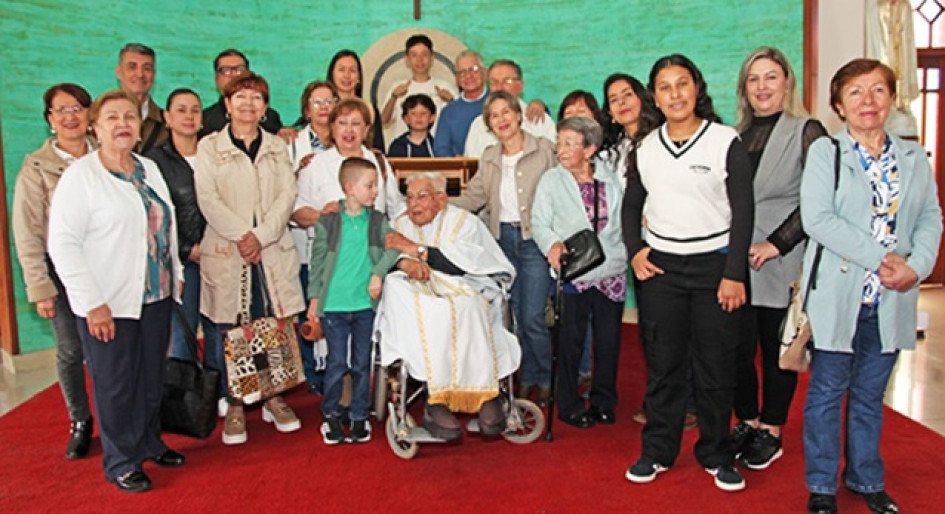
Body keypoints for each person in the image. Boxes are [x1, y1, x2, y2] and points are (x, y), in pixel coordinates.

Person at [801, 58, 942, 514]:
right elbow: (818, 219)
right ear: (839, 104)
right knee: (826, 393)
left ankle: (865, 477)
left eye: (878, 90)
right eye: (856, 92)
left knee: (869, 395)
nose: (868, 100)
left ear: (890, 98)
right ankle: (821, 486)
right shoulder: (827, 152)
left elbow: (929, 217)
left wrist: (915, 267)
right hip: (839, 295)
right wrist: (883, 258)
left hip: (891, 296)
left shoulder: (912, 156)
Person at [623, 54, 753, 492]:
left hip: (715, 268)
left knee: (716, 366)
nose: (675, 94)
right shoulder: (646, 147)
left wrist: (735, 272)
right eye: (665, 86)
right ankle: (658, 450)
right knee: (664, 366)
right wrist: (635, 251)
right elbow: (631, 206)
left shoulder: (723, 140)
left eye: (683, 84)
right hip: (661, 270)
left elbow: (744, 210)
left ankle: (716, 453)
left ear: (697, 88)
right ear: (654, 97)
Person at [47, 89, 185, 492]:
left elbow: (165, 223)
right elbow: (63, 245)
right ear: (95, 126)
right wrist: (92, 304)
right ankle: (121, 460)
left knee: (149, 378)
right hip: (110, 303)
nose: (122, 124)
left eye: (129, 116)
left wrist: (174, 273)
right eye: (112, 118)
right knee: (115, 384)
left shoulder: (147, 168)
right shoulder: (82, 177)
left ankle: (148, 442)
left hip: (155, 296)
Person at [729, 47, 827, 471]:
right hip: (735, 260)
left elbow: (820, 198)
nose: (762, 87)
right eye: (754, 79)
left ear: (787, 82)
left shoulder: (808, 129)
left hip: (780, 259)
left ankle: (771, 429)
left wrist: (776, 244)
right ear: (744, 88)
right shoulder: (733, 134)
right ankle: (747, 420)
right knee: (735, 348)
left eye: (771, 77)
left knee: (775, 349)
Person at [195, 73, 306, 446]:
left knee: (271, 322)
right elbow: (208, 199)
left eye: (256, 98)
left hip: (270, 249)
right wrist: (244, 235)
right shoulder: (209, 148)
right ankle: (237, 403)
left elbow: (286, 196)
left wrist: (260, 236)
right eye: (240, 97)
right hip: (229, 250)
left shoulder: (277, 147)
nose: (248, 104)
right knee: (233, 328)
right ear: (226, 104)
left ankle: (274, 398)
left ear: (265, 106)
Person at [377, 172, 520, 439]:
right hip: (415, 289)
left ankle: (485, 394)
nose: (413, 205)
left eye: (422, 196)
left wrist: (416, 250)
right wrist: (402, 262)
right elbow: (380, 256)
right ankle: (436, 400)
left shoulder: (464, 222)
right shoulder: (397, 223)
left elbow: (467, 263)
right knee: (428, 309)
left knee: (470, 306)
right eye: (409, 198)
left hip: (462, 284)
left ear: (441, 199)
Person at [452, 90, 557, 406]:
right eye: (494, 116)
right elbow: (475, 197)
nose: (501, 119)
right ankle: (527, 378)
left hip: (535, 242)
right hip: (503, 243)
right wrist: (440, 203)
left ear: (518, 114)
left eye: (505, 112)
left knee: (533, 316)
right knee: (513, 315)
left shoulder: (544, 150)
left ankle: (545, 378)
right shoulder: (489, 156)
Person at [12, 83, 95, 459]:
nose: (71, 116)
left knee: (113, 347)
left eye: (77, 108)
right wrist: (39, 286)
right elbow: (27, 231)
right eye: (62, 110)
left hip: (109, 269)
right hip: (61, 272)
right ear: (50, 119)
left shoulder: (107, 155)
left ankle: (118, 416)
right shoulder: (36, 167)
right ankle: (80, 419)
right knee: (70, 348)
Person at [531, 116, 627, 428]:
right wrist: (552, 244)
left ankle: (603, 400)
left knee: (609, 340)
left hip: (611, 269)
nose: (562, 149)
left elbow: (622, 219)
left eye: (571, 143)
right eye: (560, 142)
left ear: (590, 149)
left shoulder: (610, 178)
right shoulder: (551, 180)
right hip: (574, 271)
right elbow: (539, 223)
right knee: (570, 341)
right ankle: (569, 403)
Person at [306, 157, 401, 445]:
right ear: (350, 187)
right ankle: (332, 414)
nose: (375, 192)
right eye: (370, 186)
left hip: (364, 305)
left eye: (376, 186)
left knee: (362, 363)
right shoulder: (329, 220)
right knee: (337, 362)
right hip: (334, 304)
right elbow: (318, 262)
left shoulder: (377, 220)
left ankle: (360, 414)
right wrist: (314, 300)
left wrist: (378, 273)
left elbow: (394, 247)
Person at [599, 73, 665, 426]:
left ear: (642, 98)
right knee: (650, 329)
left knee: (665, 328)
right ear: (609, 112)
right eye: (614, 99)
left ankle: (680, 403)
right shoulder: (615, 150)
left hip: (661, 243)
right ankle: (661, 398)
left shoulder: (660, 140)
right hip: (631, 244)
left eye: (628, 94)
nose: (622, 102)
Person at [145, 89, 215, 367]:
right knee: (183, 335)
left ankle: (219, 391)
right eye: (181, 110)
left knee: (219, 330)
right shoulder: (154, 162)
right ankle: (185, 402)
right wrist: (187, 250)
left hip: (220, 256)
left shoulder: (215, 153)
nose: (189, 116)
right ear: (167, 117)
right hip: (184, 261)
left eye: (195, 110)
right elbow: (154, 216)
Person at [287, 79, 338, 394]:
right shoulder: (291, 144)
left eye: (328, 101)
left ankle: (336, 368)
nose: (323, 108)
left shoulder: (347, 141)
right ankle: (312, 372)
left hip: (343, 246)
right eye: (316, 102)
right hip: (304, 240)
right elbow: (281, 192)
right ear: (306, 110)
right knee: (310, 304)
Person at [295, 98, 405, 224]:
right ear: (332, 128)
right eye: (342, 123)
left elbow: (397, 209)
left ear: (366, 130)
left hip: (373, 241)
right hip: (330, 241)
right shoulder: (315, 164)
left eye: (356, 123)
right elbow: (297, 210)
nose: (349, 130)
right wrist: (321, 216)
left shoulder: (379, 162)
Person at [464, 60, 557, 158]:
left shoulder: (539, 120)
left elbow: (555, 161)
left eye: (507, 81)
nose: (500, 87)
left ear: (520, 85)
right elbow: (471, 165)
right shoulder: (479, 124)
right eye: (494, 82)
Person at [199, 49, 294, 142]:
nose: (234, 75)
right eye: (226, 70)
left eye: (240, 70)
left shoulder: (270, 117)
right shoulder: (205, 120)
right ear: (216, 80)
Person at [381, 34, 456, 141]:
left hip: (437, 150)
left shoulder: (445, 86)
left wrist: (451, 101)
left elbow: (458, 121)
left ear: (432, 58)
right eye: (414, 55)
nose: (420, 60)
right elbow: (383, 121)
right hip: (404, 151)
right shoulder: (397, 87)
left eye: (424, 54)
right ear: (407, 59)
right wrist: (394, 97)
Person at [434, 49, 489, 157]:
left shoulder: (499, 102)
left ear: (485, 73)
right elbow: (441, 148)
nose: (468, 76)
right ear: (456, 78)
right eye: (462, 72)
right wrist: (455, 163)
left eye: (473, 69)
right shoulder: (449, 111)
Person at [326, 49, 385, 150]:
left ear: (359, 77)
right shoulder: (324, 107)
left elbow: (378, 148)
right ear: (332, 74)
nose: (347, 75)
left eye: (352, 70)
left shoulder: (369, 109)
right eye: (341, 69)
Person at [115, 43, 166, 154]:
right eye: (132, 67)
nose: (140, 74)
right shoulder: (97, 118)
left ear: (154, 74)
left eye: (147, 68)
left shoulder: (167, 124)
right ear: (119, 72)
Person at [387, 93, 436, 157]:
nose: (419, 117)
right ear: (405, 118)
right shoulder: (397, 146)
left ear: (432, 117)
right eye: (413, 113)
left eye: (423, 113)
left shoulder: (437, 146)